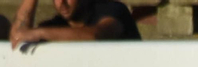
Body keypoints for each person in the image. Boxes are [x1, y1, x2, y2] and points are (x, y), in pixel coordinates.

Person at [9, 0, 140, 44]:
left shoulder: (112, 9)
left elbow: (97, 35)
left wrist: (39, 33)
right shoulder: (55, 25)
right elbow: (17, 37)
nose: (62, 3)